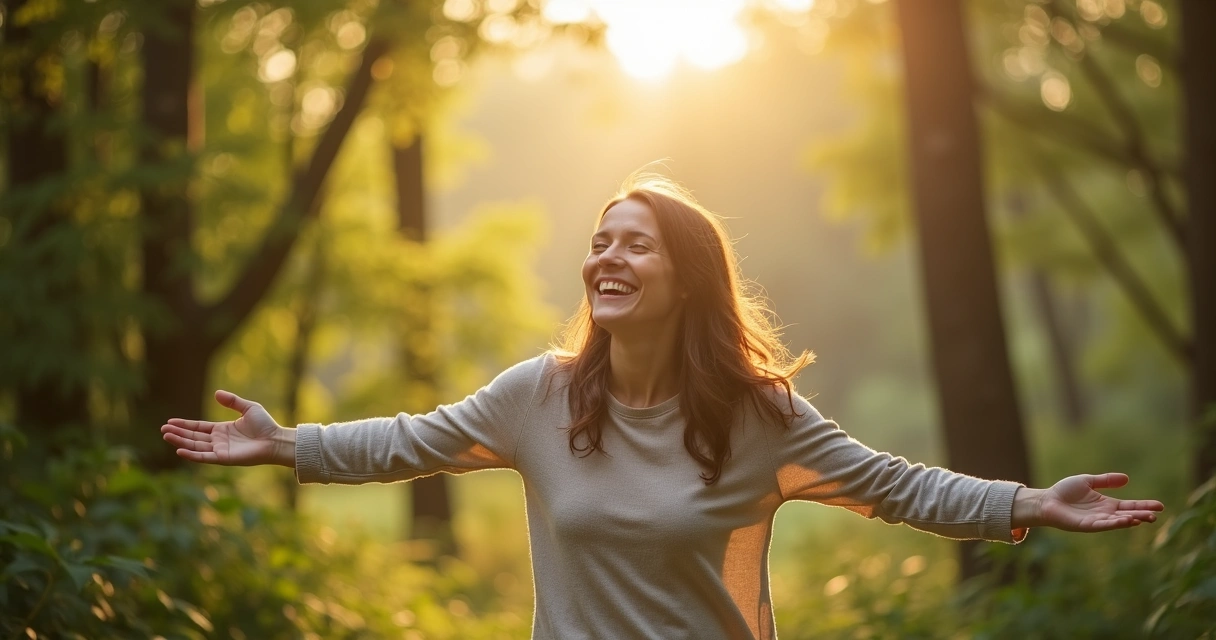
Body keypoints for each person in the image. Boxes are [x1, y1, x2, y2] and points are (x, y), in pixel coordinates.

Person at [161, 173, 1164, 640]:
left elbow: (897, 486)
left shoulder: (757, 415)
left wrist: (1030, 500)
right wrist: (285, 443)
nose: (606, 255)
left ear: (685, 275)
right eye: (600, 240)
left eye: (633, 242)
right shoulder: (538, 395)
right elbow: (409, 441)